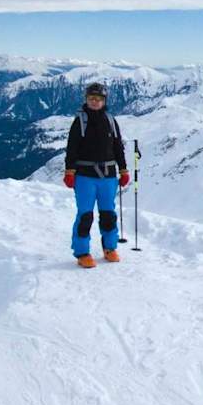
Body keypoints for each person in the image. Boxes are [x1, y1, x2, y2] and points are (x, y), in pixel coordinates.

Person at [63, 82, 130, 268]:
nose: (94, 102)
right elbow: (72, 148)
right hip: (85, 176)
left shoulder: (110, 120)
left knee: (108, 214)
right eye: (91, 98)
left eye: (98, 99)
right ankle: (82, 252)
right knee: (85, 215)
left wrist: (123, 169)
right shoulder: (80, 121)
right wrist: (70, 171)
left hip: (108, 176)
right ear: (86, 100)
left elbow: (118, 147)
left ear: (104, 101)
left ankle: (110, 248)